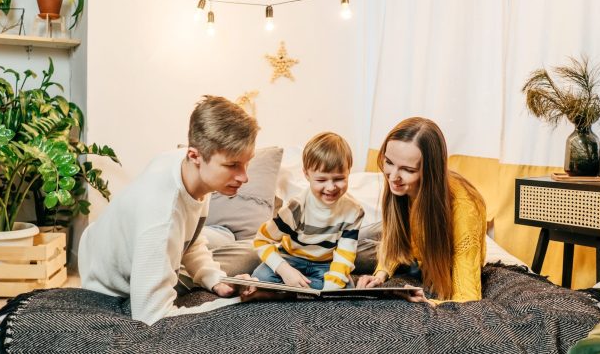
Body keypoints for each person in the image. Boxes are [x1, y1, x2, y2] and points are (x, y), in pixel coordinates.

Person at [78, 95, 259, 325]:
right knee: (252, 255)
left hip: (118, 252)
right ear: (195, 155)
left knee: (251, 249)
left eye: (247, 162)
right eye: (232, 165)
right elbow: (152, 316)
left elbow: (189, 239)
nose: (244, 176)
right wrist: (240, 304)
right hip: (113, 288)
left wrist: (215, 279)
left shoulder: (185, 168)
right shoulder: (161, 216)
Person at [356, 117, 487, 304]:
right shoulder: (398, 184)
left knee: (344, 248)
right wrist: (380, 274)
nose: (393, 177)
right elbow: (396, 233)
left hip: (424, 255)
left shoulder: (464, 208)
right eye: (389, 162)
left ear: (430, 172)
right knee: (338, 242)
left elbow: (468, 298)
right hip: (409, 246)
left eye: (408, 170)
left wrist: (430, 302)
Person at [252, 132, 364, 290]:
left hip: (325, 264)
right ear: (306, 174)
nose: (331, 187)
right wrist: (285, 271)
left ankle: (293, 289)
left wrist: (333, 286)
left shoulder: (354, 211)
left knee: (346, 286)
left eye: (339, 179)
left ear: (348, 172)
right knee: (260, 276)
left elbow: (345, 254)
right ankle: (300, 285)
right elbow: (261, 241)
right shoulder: (296, 207)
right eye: (321, 180)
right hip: (290, 258)